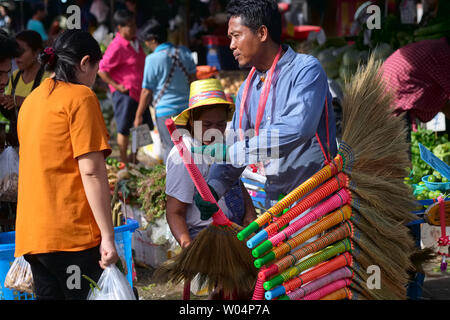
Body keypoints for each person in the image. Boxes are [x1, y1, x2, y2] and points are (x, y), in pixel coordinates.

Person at [192, 0, 337, 219]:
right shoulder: (247, 89)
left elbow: (298, 128)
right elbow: (237, 142)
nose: (231, 45)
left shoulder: (306, 70)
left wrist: (233, 152)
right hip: (275, 206)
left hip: (315, 203)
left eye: (236, 35)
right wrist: (213, 187)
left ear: (261, 33)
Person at [14, 30, 119, 300]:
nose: (95, 79)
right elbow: (92, 170)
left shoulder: (31, 102)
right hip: (71, 237)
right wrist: (108, 236)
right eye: (95, 69)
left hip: (33, 237)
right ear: (85, 63)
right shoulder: (81, 98)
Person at [165, 78, 257, 299]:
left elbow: (235, 180)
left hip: (237, 229)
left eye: (220, 124)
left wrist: (250, 213)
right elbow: (174, 212)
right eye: (207, 125)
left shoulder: (223, 145)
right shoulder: (183, 156)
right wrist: (190, 248)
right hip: (208, 237)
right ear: (192, 121)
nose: (214, 131)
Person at [134, 19, 196, 163]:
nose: (146, 45)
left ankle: (174, 183)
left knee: (171, 149)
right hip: (188, 110)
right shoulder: (185, 52)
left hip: (165, 112)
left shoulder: (152, 59)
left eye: (146, 42)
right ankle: (193, 180)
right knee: (191, 149)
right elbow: (194, 81)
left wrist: (138, 115)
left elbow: (146, 91)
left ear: (152, 39)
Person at [98, 9, 152, 164]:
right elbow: (102, 70)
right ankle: (123, 162)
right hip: (125, 93)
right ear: (119, 28)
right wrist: (116, 86)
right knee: (124, 128)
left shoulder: (136, 42)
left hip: (139, 91)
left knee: (140, 126)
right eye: (129, 26)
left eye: (134, 25)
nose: (133, 28)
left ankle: (133, 158)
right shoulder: (116, 46)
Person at [381, 36, 450, 134]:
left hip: (385, 98)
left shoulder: (436, 48)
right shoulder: (444, 56)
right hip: (392, 104)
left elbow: (445, 104)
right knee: (398, 147)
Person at [1, 30, 51, 147]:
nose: (17, 56)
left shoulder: (48, 78)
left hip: (39, 142)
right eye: (15, 52)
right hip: (16, 141)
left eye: (21, 51)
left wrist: (22, 101)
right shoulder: (14, 76)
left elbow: (51, 109)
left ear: (36, 52)